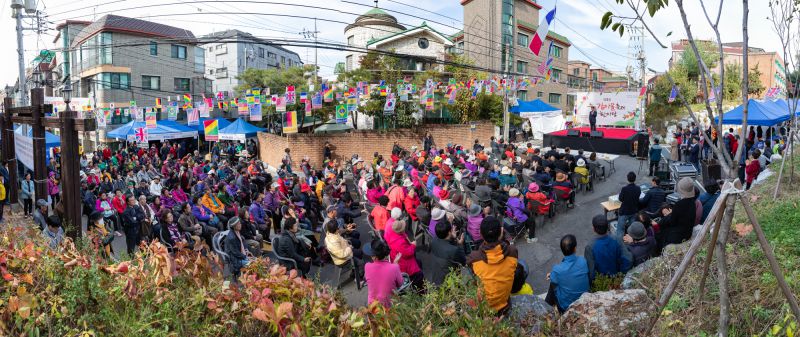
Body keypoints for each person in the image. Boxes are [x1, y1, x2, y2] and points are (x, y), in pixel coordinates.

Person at [467, 216, 519, 315]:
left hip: (485, 305)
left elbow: (475, 274)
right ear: (501, 232)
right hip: (505, 303)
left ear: (481, 235)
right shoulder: (512, 251)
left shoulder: (473, 258)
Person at [545, 234, 589, 313]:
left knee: (553, 284)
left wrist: (551, 275)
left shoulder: (557, 269)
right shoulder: (583, 261)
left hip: (566, 307)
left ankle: (546, 306)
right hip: (584, 300)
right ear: (575, 248)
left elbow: (555, 279)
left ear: (562, 250)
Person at [584, 215, 632, 281]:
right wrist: (620, 274)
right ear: (607, 227)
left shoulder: (590, 247)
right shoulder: (617, 240)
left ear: (593, 229)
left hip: (602, 283)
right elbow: (628, 259)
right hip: (617, 278)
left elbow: (591, 272)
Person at [384, 218, 424, 291]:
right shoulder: (399, 242)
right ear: (400, 231)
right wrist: (413, 245)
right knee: (419, 274)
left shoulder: (393, 235)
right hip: (404, 264)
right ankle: (419, 290)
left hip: (397, 257)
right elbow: (408, 253)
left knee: (419, 262)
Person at [324, 217, 365, 286]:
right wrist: (349, 248)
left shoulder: (329, 234)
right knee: (361, 263)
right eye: (337, 228)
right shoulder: (333, 241)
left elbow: (340, 238)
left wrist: (346, 230)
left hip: (345, 250)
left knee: (359, 253)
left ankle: (354, 272)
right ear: (335, 230)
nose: (338, 229)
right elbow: (342, 254)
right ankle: (359, 279)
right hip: (342, 260)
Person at [659, 177, 697, 249]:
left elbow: (672, 222)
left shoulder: (679, 204)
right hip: (688, 232)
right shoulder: (693, 202)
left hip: (678, 236)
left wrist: (669, 214)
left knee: (661, 230)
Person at [364, 240, 404, 308]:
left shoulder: (367, 266)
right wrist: (395, 263)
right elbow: (400, 283)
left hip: (373, 306)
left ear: (374, 257)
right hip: (389, 305)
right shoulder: (394, 267)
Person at [427, 220, 467, 285]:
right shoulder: (454, 250)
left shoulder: (434, 240)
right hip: (448, 279)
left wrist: (453, 237)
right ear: (449, 233)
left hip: (436, 273)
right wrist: (459, 244)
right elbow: (464, 261)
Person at [617, 172, 641, 238]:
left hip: (624, 212)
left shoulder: (624, 189)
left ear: (627, 179)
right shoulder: (638, 188)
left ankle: (619, 244)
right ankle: (631, 242)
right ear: (635, 179)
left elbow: (620, 199)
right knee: (631, 229)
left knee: (620, 230)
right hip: (634, 211)